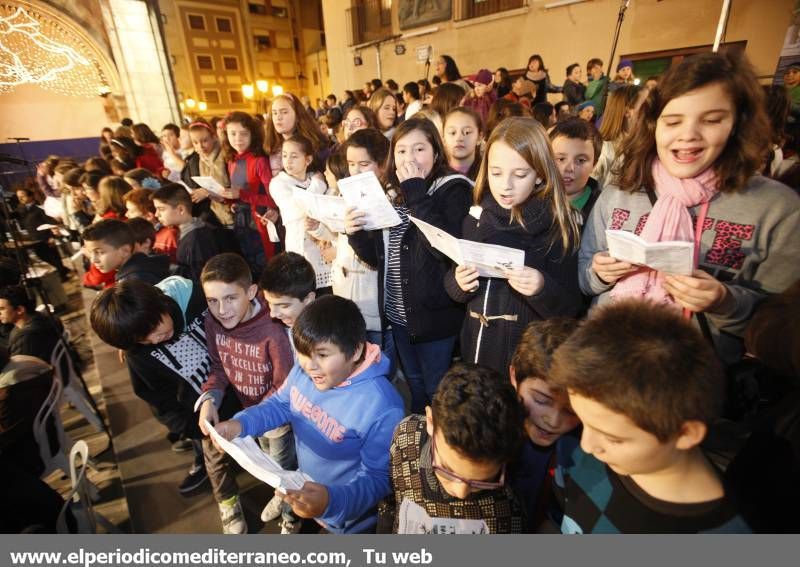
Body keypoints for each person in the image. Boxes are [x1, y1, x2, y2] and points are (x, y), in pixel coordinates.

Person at [579, 51, 800, 365]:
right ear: (653, 124)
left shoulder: (776, 210)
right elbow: (585, 273)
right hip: (604, 362)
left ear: (739, 125)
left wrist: (726, 301)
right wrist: (599, 273)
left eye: (711, 120)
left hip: (698, 380)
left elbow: (783, 327)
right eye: (673, 121)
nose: (688, 135)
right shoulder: (622, 188)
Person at [549, 300, 750, 533]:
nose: (587, 445)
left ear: (685, 433)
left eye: (613, 438)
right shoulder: (582, 457)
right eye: (582, 421)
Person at [213, 295, 405, 533]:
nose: (309, 365)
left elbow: (378, 478)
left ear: (355, 351)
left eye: (322, 355)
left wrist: (330, 501)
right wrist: (240, 425)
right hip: (307, 490)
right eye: (303, 353)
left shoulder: (383, 408)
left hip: (351, 519)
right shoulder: (308, 371)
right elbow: (282, 404)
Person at [346, 117, 473, 414]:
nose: (409, 158)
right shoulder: (391, 193)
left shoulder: (454, 189)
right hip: (398, 314)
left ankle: (440, 450)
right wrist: (355, 233)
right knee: (414, 384)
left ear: (436, 153)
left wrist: (417, 190)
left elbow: (446, 249)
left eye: (419, 149)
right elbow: (376, 258)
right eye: (401, 151)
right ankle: (417, 444)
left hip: (434, 317)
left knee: (436, 390)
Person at [445, 117, 581, 378]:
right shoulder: (475, 218)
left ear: (540, 175)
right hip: (475, 352)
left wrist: (541, 287)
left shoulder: (558, 227)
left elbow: (570, 308)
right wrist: (458, 283)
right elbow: (452, 284)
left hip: (524, 363)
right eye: (496, 173)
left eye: (520, 175)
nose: (505, 184)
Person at [90, 278, 242, 496]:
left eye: (152, 328)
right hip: (205, 418)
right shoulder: (136, 350)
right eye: (143, 339)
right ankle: (228, 504)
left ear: (159, 304)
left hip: (249, 391)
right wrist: (190, 428)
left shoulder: (198, 298)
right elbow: (158, 397)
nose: (154, 340)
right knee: (217, 466)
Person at [195, 254, 296, 534]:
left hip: (275, 419)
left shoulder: (272, 330)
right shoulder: (212, 321)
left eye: (230, 298)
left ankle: (291, 515)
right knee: (267, 465)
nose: (222, 309)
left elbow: (283, 388)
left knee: (283, 468)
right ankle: (282, 500)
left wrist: (245, 419)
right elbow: (218, 366)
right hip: (249, 415)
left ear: (251, 292)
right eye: (212, 301)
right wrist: (210, 398)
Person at [377, 363, 524, 534]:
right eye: (447, 469)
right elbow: (390, 503)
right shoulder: (405, 437)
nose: (461, 492)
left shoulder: (510, 501)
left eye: (481, 481)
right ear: (431, 422)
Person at [507, 319, 581, 529]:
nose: (553, 420)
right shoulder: (492, 427)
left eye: (571, 410)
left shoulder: (582, 450)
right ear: (514, 376)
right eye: (541, 400)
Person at [268, 135, 332, 291]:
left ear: (308, 160)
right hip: (299, 245)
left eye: (294, 156)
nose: (288, 161)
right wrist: (318, 186)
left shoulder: (315, 179)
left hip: (322, 245)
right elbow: (298, 208)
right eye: (284, 155)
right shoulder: (278, 183)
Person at [222, 111, 279, 273]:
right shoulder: (232, 160)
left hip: (259, 223)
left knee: (266, 268)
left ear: (252, 135)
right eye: (232, 134)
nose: (238, 139)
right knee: (248, 267)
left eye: (243, 134)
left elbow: (273, 199)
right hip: (240, 222)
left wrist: (241, 195)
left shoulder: (259, 161)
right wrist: (231, 201)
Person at [152, 184, 238, 282]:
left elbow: (200, 278)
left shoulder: (198, 239)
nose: (156, 214)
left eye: (161, 209)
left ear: (181, 209)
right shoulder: (190, 231)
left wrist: (167, 268)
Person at [549, 117, 603, 228]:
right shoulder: (531, 198)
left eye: (580, 160)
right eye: (560, 159)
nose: (569, 168)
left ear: (595, 164)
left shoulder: (602, 208)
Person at [81, 219, 169, 285]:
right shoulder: (142, 267)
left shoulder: (134, 283)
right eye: (90, 252)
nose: (93, 260)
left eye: (100, 252)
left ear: (125, 251)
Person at [181, 120, 234, 228]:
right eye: (195, 142)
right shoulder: (197, 160)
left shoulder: (225, 155)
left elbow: (232, 185)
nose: (200, 146)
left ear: (214, 137)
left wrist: (207, 192)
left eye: (204, 141)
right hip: (217, 215)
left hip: (233, 212)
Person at [593, 84, 648, 188]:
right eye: (646, 105)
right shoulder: (604, 150)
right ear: (628, 112)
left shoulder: (647, 143)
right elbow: (590, 189)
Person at [13, 185, 71, 280]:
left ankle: (62, 274)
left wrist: (51, 236)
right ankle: (63, 270)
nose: (20, 198)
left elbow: (50, 222)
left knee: (53, 256)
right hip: (34, 238)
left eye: (22, 195)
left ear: (30, 196)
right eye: (18, 196)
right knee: (42, 256)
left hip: (45, 237)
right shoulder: (21, 210)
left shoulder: (39, 209)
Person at [264, 93, 329, 176]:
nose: (278, 117)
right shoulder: (271, 145)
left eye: (284, 112)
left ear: (297, 115)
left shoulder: (314, 144)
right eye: (274, 113)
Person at [0, 285, 63, 366]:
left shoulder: (27, 337)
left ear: (20, 310)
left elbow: (15, 370)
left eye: (1, 309)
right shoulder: (46, 317)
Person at [123, 188, 178, 263]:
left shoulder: (170, 236)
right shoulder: (135, 234)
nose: (126, 215)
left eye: (131, 211)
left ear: (149, 216)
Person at [443, 107, 482, 180]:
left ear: (479, 137)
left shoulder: (488, 173)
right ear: (443, 138)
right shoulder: (434, 175)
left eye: (467, 132)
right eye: (452, 133)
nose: (459, 138)